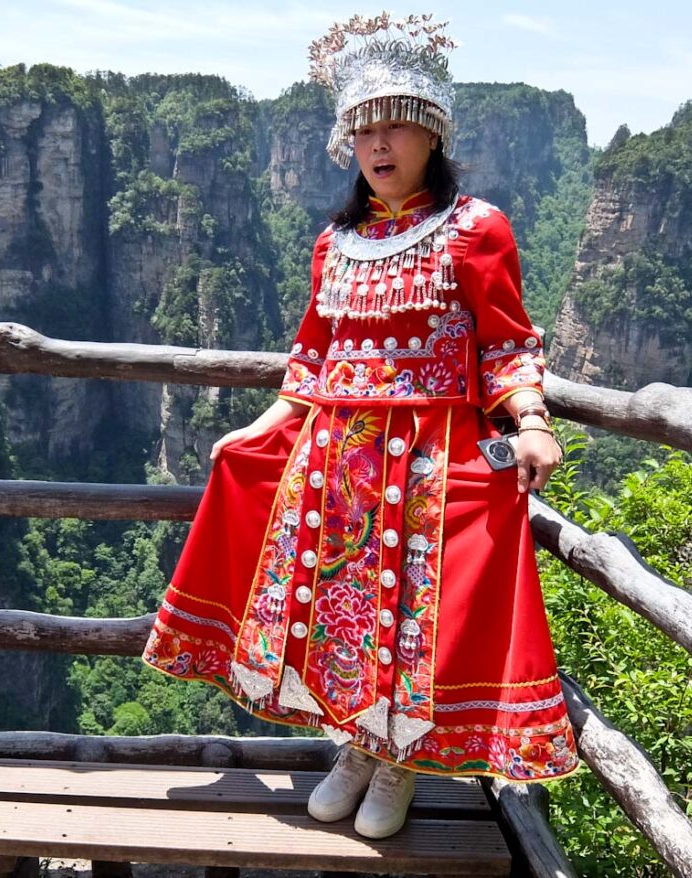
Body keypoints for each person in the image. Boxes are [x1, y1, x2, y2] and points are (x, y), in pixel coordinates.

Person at [143, 13, 579, 839]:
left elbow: (509, 342)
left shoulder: (476, 229)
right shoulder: (336, 241)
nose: (378, 145)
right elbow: (312, 354)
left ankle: (400, 758)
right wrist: (261, 427)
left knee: (414, 607)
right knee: (338, 601)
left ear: (430, 132)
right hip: (337, 457)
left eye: (393, 126)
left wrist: (530, 418)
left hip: (429, 456)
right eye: (363, 130)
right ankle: (352, 742)